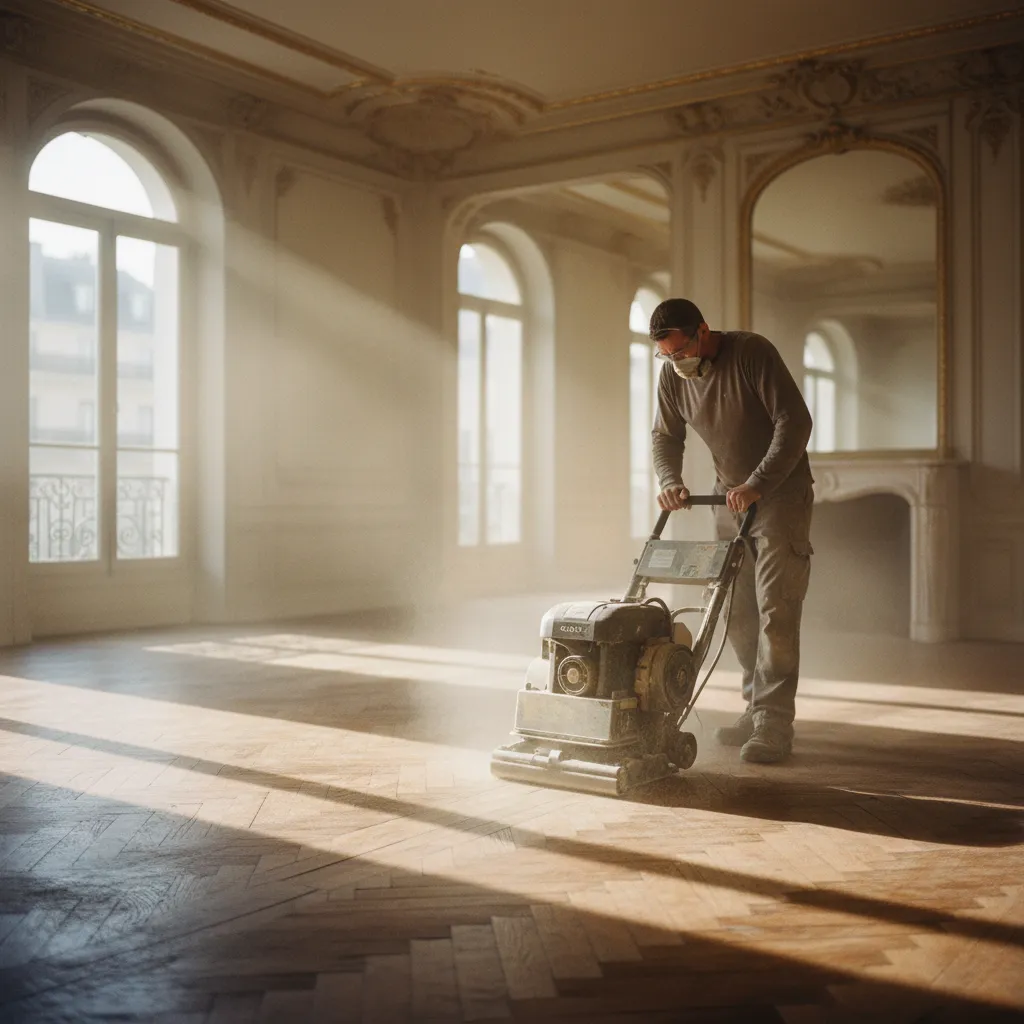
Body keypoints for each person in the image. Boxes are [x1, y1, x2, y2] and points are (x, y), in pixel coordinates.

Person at [649, 297, 814, 764]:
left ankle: (774, 723)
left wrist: (758, 482)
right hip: (728, 501)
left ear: (702, 331)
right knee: (735, 611)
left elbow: (795, 421)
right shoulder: (672, 377)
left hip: (780, 495)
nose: (676, 361)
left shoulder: (751, 353)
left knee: (776, 610)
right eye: (665, 355)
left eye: (681, 351)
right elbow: (665, 436)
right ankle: (754, 707)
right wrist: (670, 481)